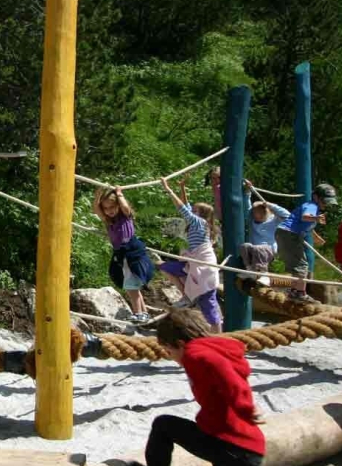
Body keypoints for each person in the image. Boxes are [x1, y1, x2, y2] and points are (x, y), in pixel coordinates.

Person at [132, 308, 264, 466]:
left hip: (233, 446)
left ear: (180, 344)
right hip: (238, 444)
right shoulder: (215, 348)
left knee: (163, 426)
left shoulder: (194, 354)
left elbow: (225, 373)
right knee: (164, 425)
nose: (170, 356)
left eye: (169, 351)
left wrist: (245, 406)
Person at [160, 178, 222, 332]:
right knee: (165, 267)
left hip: (204, 268)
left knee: (209, 305)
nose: (191, 212)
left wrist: (168, 189)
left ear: (202, 215)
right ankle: (186, 297)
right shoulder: (197, 222)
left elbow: (182, 208)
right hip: (192, 264)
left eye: (195, 210)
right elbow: (186, 206)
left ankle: (218, 335)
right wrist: (182, 188)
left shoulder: (200, 223)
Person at [93, 187, 155, 322]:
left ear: (118, 206)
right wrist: (97, 198)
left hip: (131, 250)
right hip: (121, 254)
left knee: (131, 286)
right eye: (106, 208)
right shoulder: (108, 221)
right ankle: (144, 313)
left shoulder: (125, 216)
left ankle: (138, 313)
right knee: (131, 285)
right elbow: (97, 210)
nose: (110, 211)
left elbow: (126, 207)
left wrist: (119, 195)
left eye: (112, 207)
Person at [275, 183, 337, 301]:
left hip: (285, 233)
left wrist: (316, 237)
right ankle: (299, 293)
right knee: (302, 265)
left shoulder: (313, 207)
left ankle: (294, 291)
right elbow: (305, 217)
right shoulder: (312, 206)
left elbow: (305, 224)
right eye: (324, 201)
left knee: (296, 265)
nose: (326, 204)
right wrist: (316, 218)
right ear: (315, 197)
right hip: (289, 234)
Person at [239, 180, 290, 278]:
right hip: (255, 250)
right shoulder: (252, 220)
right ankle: (249, 269)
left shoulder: (274, 220)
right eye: (255, 214)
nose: (257, 217)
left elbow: (287, 216)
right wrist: (248, 192)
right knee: (244, 246)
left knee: (259, 249)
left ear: (266, 212)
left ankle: (263, 273)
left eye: (260, 214)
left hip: (268, 250)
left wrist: (271, 206)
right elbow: (247, 207)